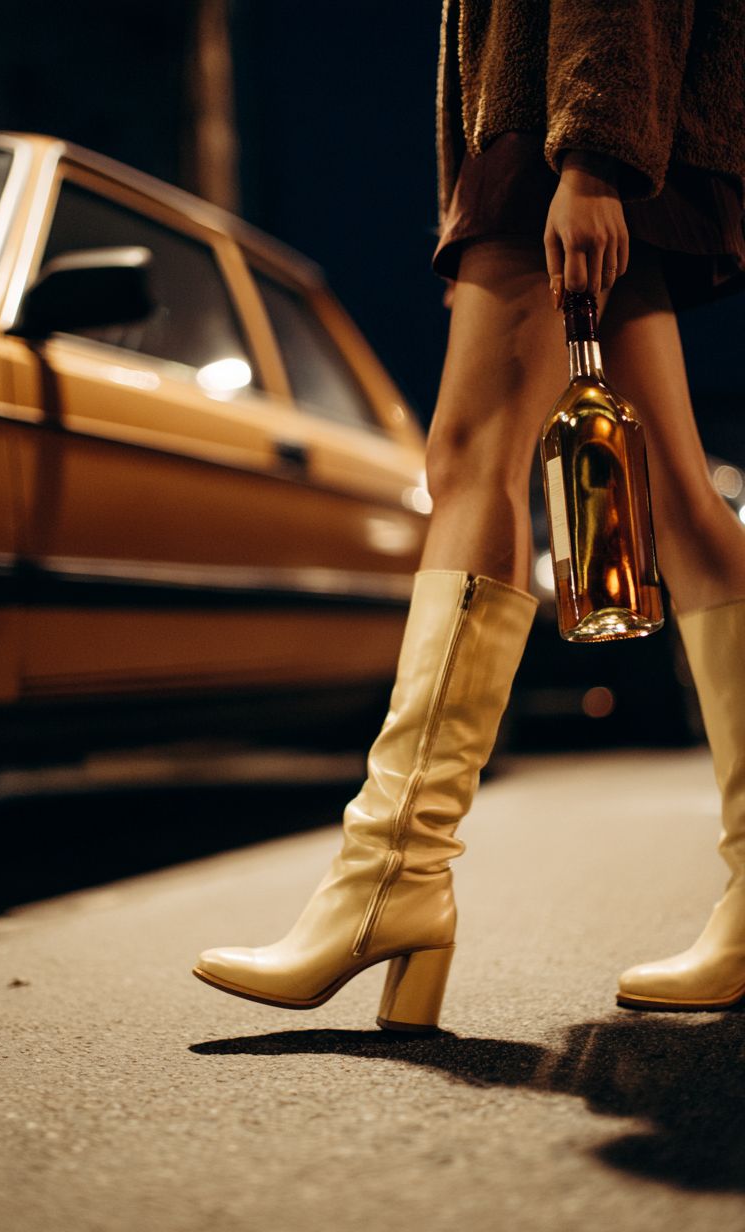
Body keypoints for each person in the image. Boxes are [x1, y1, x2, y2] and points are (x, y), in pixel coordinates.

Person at [193, 0, 745, 1027]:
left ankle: (389, 875)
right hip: (588, 116)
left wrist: (587, 160)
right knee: (672, 489)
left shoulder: (579, 143)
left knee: (471, 460)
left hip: (567, 116)